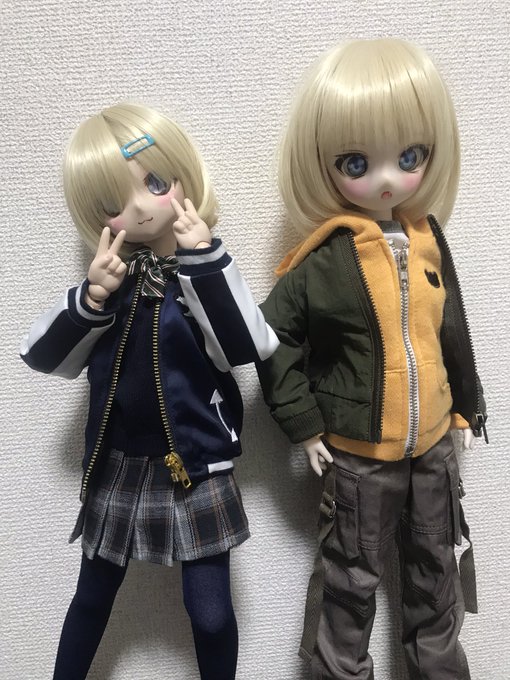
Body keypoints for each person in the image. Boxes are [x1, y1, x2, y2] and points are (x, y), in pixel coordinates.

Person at [20, 102, 278, 680]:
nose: (139, 208)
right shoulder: (113, 284)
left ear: (183, 176)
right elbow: (42, 356)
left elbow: (249, 345)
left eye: (156, 183)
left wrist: (204, 261)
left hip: (195, 464)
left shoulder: (201, 276)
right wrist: (91, 298)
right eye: (115, 203)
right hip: (117, 462)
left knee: (210, 612)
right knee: (91, 597)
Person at [256, 39, 487, 680]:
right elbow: (271, 341)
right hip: (357, 457)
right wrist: (304, 425)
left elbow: (451, 329)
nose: (387, 179)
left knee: (436, 577)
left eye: (409, 156)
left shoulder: (428, 242)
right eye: (356, 162)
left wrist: (464, 408)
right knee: (348, 585)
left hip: (434, 450)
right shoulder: (323, 261)